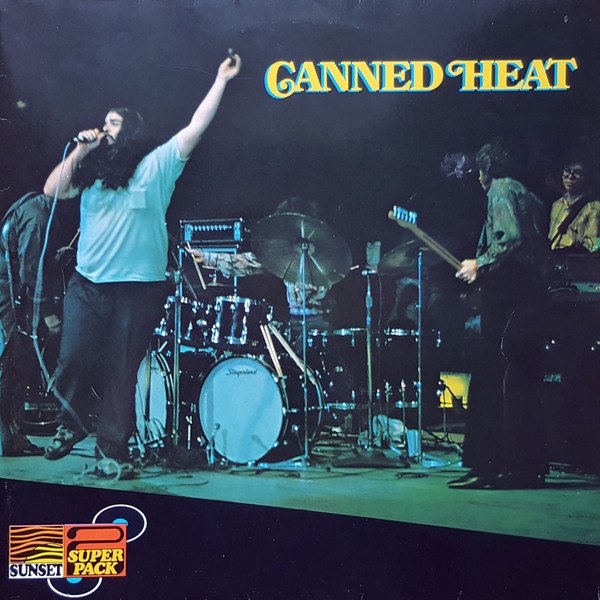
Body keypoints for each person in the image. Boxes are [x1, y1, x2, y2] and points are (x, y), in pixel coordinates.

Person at [42, 53, 241, 478]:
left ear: (130, 130)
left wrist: (221, 80)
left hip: (138, 287)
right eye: (104, 122)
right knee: (72, 355)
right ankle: (70, 423)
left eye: (113, 123)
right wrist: (81, 148)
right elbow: (52, 190)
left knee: (121, 371)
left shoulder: (158, 165)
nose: (105, 128)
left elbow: (196, 126)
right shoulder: (90, 173)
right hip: (88, 282)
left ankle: (112, 451)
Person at [451, 137, 549, 489]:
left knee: (493, 375)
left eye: (481, 169)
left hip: (510, 292)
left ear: (488, 168)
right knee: (520, 380)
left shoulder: (501, 188)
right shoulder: (528, 194)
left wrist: (480, 263)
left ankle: (492, 465)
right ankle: (522, 466)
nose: (479, 177)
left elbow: (510, 238)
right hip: (531, 294)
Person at [188, 197, 339, 339]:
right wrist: (207, 257)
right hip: (293, 323)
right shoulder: (285, 253)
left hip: (319, 327)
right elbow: (246, 263)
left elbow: (315, 293)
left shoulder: (322, 256)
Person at [0, 192, 78, 456]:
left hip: (11, 291)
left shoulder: (34, 208)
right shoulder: (37, 217)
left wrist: (54, 262)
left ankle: (11, 436)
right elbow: (29, 272)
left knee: (15, 363)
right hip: (7, 293)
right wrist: (48, 314)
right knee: (11, 362)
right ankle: (7, 438)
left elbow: (25, 260)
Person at [548, 153, 600, 252]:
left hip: (574, 260)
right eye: (567, 170)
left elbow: (593, 247)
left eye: (577, 172)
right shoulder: (556, 205)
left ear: (587, 177)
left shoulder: (594, 208)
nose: (570, 176)